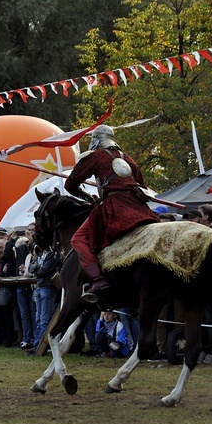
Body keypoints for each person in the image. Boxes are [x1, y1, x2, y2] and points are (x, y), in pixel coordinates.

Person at [64, 124, 159, 301]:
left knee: (78, 239)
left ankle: (98, 280)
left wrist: (85, 196)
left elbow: (70, 184)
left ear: (97, 139)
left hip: (114, 206)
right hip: (139, 208)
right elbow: (143, 187)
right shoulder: (129, 159)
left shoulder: (96, 156)